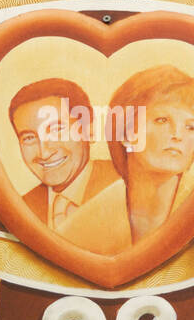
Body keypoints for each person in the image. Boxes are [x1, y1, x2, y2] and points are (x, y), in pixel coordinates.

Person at [57, 66, 194, 255]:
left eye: (190, 127)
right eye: (162, 120)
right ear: (126, 133)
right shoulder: (83, 226)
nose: (178, 135)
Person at [8, 78, 118, 230]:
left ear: (89, 130)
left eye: (57, 130)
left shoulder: (127, 186)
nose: (44, 153)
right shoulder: (21, 209)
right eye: (29, 138)